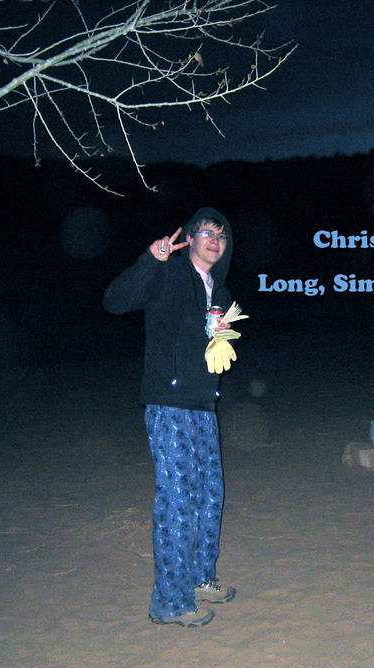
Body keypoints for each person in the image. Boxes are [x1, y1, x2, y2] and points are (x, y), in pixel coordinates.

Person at [103, 207, 238, 628]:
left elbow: (208, 343)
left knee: (209, 497)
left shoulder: (220, 291)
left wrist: (221, 340)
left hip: (204, 406)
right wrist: (151, 259)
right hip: (169, 404)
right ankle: (170, 602)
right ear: (190, 239)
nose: (214, 241)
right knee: (178, 502)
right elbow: (114, 301)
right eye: (206, 233)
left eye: (221, 235)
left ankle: (199, 578)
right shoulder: (168, 274)